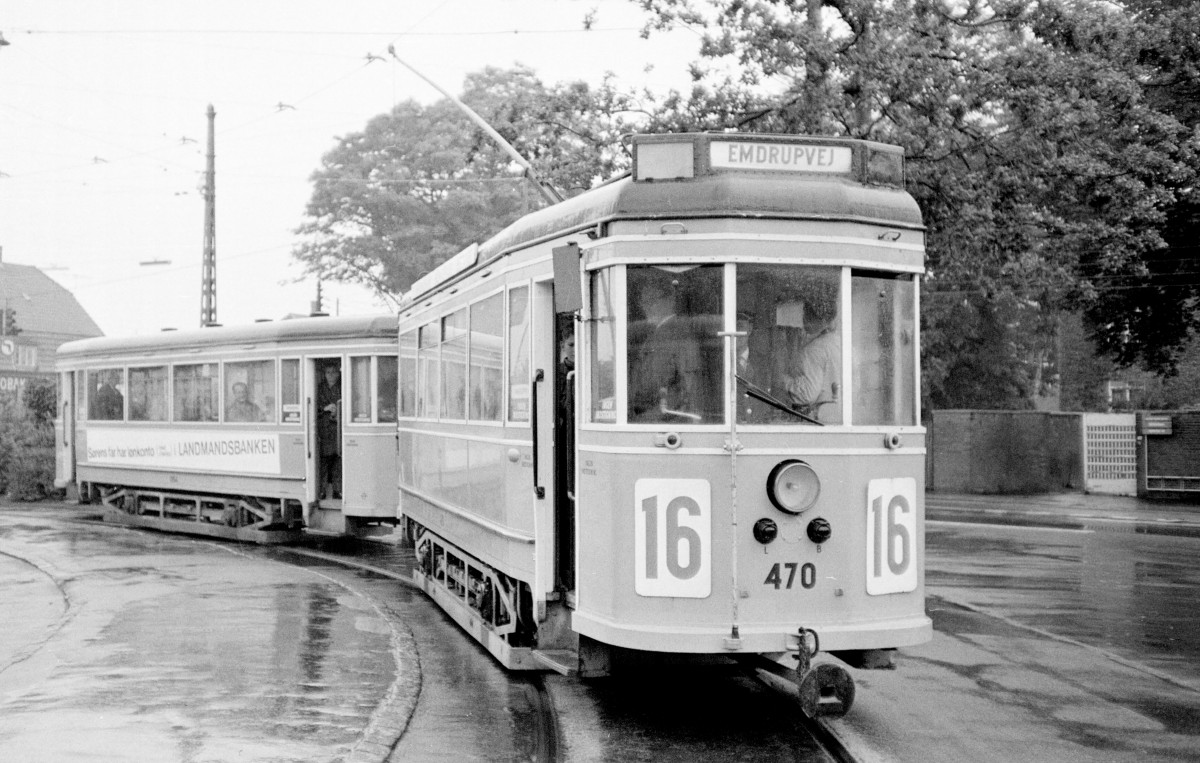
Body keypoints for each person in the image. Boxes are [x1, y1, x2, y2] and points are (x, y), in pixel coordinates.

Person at [628, 278, 701, 422]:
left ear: (670, 301)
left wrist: (645, 419)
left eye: (652, 301)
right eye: (644, 302)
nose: (646, 307)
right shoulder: (658, 334)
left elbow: (686, 388)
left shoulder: (677, 335)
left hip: (667, 422)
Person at [785, 293, 841, 423]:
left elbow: (806, 395)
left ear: (816, 318)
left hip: (821, 421)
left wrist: (784, 381)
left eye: (806, 314)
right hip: (843, 418)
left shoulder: (814, 349)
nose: (803, 320)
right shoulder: (844, 344)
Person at [317, 364, 342, 499]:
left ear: (338, 374)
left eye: (333, 372)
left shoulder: (343, 387)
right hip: (325, 430)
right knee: (324, 462)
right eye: (328, 372)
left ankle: (337, 490)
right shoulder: (319, 389)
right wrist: (325, 408)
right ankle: (322, 490)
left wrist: (339, 409)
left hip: (338, 429)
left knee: (338, 460)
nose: (331, 375)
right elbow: (312, 407)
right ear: (324, 374)